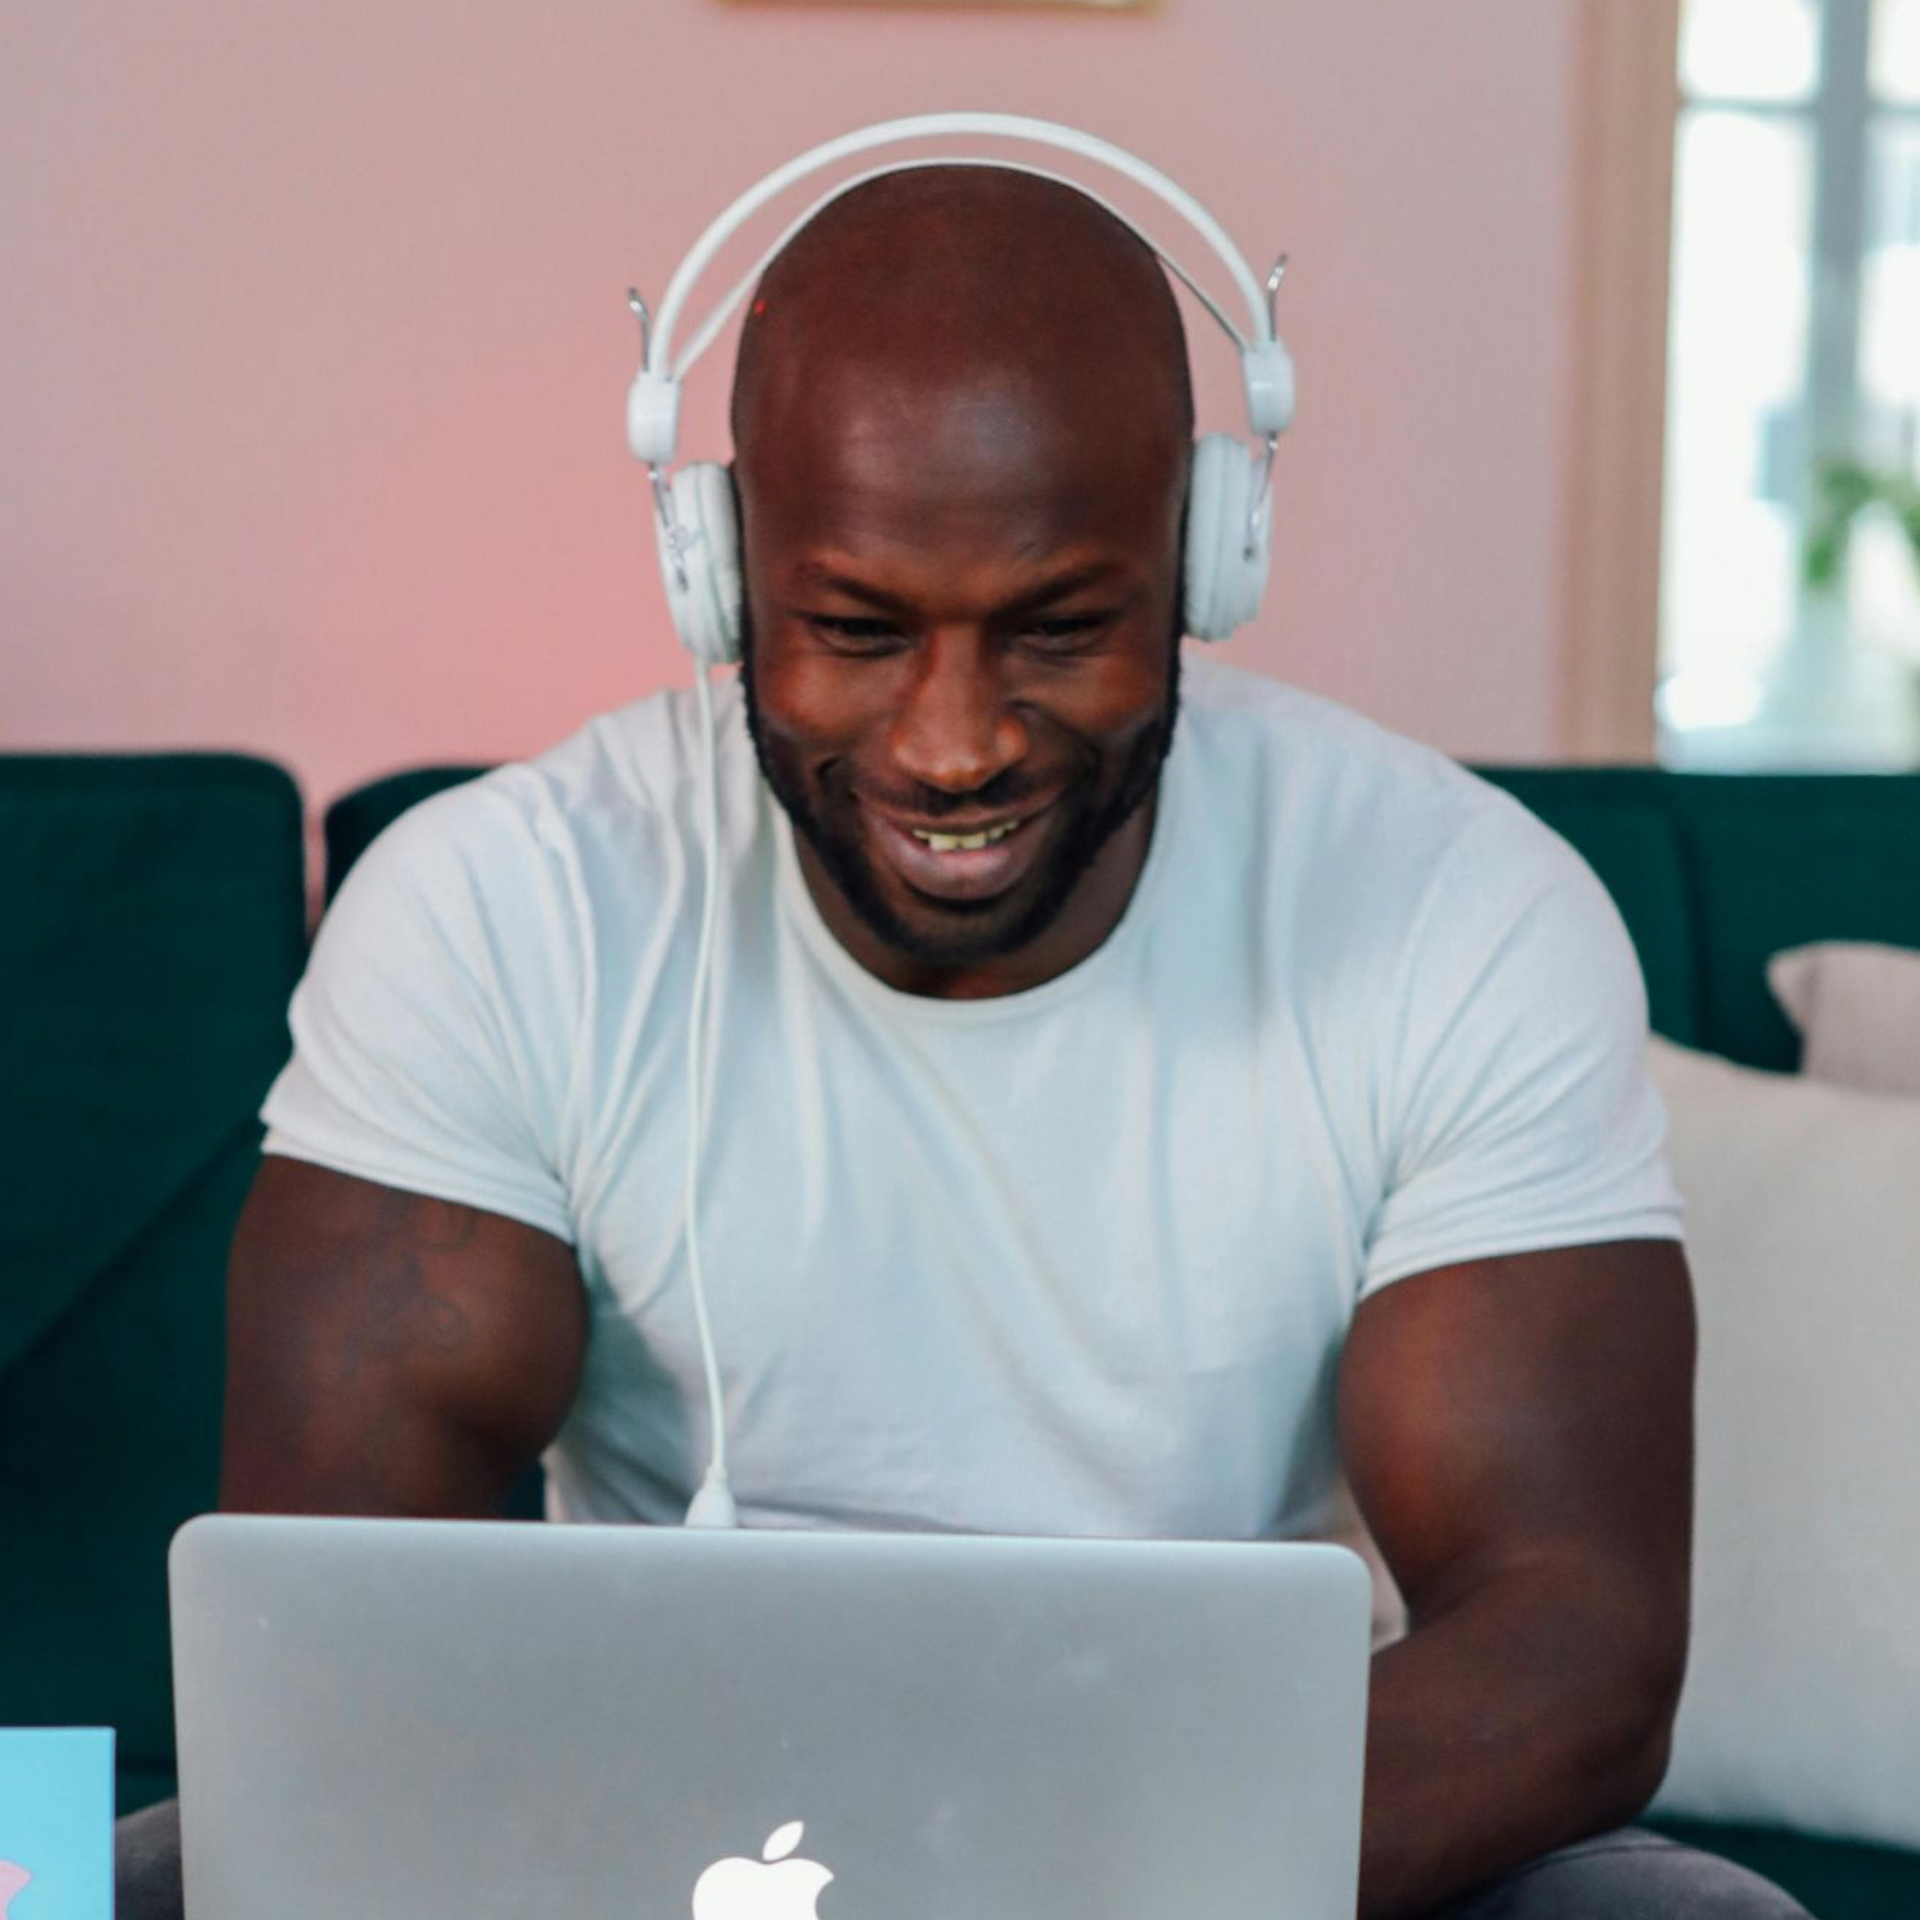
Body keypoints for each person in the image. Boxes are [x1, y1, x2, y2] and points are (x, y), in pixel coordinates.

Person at [115, 158, 1810, 1919]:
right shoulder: (500, 909)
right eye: (856, 631)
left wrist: (1052, 1887)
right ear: (720, 580)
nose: (953, 745)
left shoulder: (1458, 910)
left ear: (1206, 559)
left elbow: (1574, 1640)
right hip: (640, 1848)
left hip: (1212, 1848)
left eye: (1057, 629)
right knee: (92, 1883)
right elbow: (330, 1648)